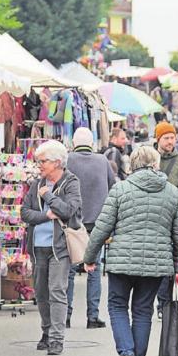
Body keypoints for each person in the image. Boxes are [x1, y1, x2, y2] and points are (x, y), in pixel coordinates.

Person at [83, 146, 178, 356]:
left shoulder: (121, 189)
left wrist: (89, 257)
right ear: (155, 164)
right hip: (157, 263)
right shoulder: (172, 193)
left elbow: (103, 226)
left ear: (133, 166)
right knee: (143, 310)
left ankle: (126, 354)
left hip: (122, 261)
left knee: (117, 305)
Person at [22, 140, 83, 355]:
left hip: (60, 246)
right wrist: (45, 215)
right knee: (41, 292)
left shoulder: (70, 183)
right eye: (38, 161)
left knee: (57, 290)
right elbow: (24, 213)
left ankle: (57, 338)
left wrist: (48, 196)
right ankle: (46, 331)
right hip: (38, 245)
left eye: (43, 161)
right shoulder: (36, 184)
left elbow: (69, 211)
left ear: (57, 162)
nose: (39, 165)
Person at [65, 128, 115, 329]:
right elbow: (113, 185)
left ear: (74, 143)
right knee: (94, 268)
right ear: (92, 143)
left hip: (72, 222)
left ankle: (65, 315)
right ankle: (92, 316)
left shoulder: (67, 160)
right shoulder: (102, 160)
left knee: (68, 269)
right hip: (97, 222)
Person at [154, 121, 178, 316]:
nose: (170, 141)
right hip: (149, 219)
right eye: (166, 138)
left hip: (170, 221)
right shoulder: (149, 159)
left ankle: (163, 303)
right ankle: (153, 300)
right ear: (158, 139)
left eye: (172, 137)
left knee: (167, 264)